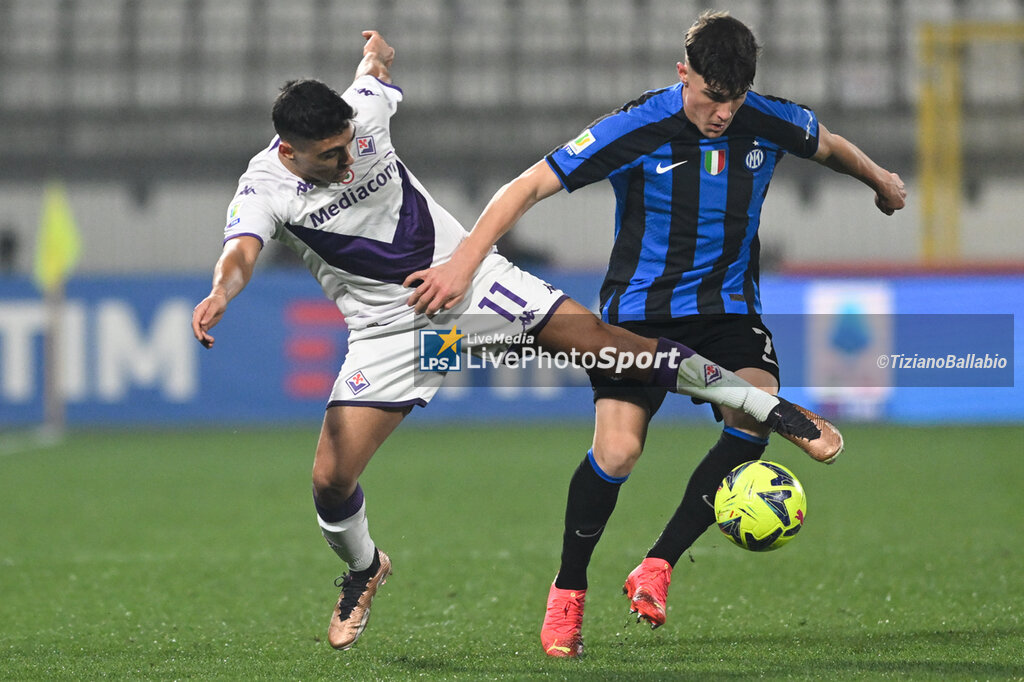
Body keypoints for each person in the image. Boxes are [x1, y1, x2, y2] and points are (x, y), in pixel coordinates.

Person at [192, 30, 841, 652]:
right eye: (330, 155)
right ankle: (364, 570)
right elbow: (241, 252)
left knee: (607, 345)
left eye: (349, 145)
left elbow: (374, 79)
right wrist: (222, 294)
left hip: (472, 291)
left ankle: (771, 409)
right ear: (289, 152)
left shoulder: (361, 116)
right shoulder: (264, 188)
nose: (347, 158)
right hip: (393, 336)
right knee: (331, 481)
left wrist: (376, 55)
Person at [407, 11, 906, 657]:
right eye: (709, 96)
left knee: (749, 418)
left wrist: (881, 182)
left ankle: (659, 565)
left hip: (728, 311)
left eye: (733, 100)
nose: (721, 113)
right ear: (683, 74)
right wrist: (462, 263)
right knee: (617, 454)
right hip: (637, 316)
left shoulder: (767, 117)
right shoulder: (638, 126)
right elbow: (527, 185)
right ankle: (568, 594)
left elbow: (830, 144)